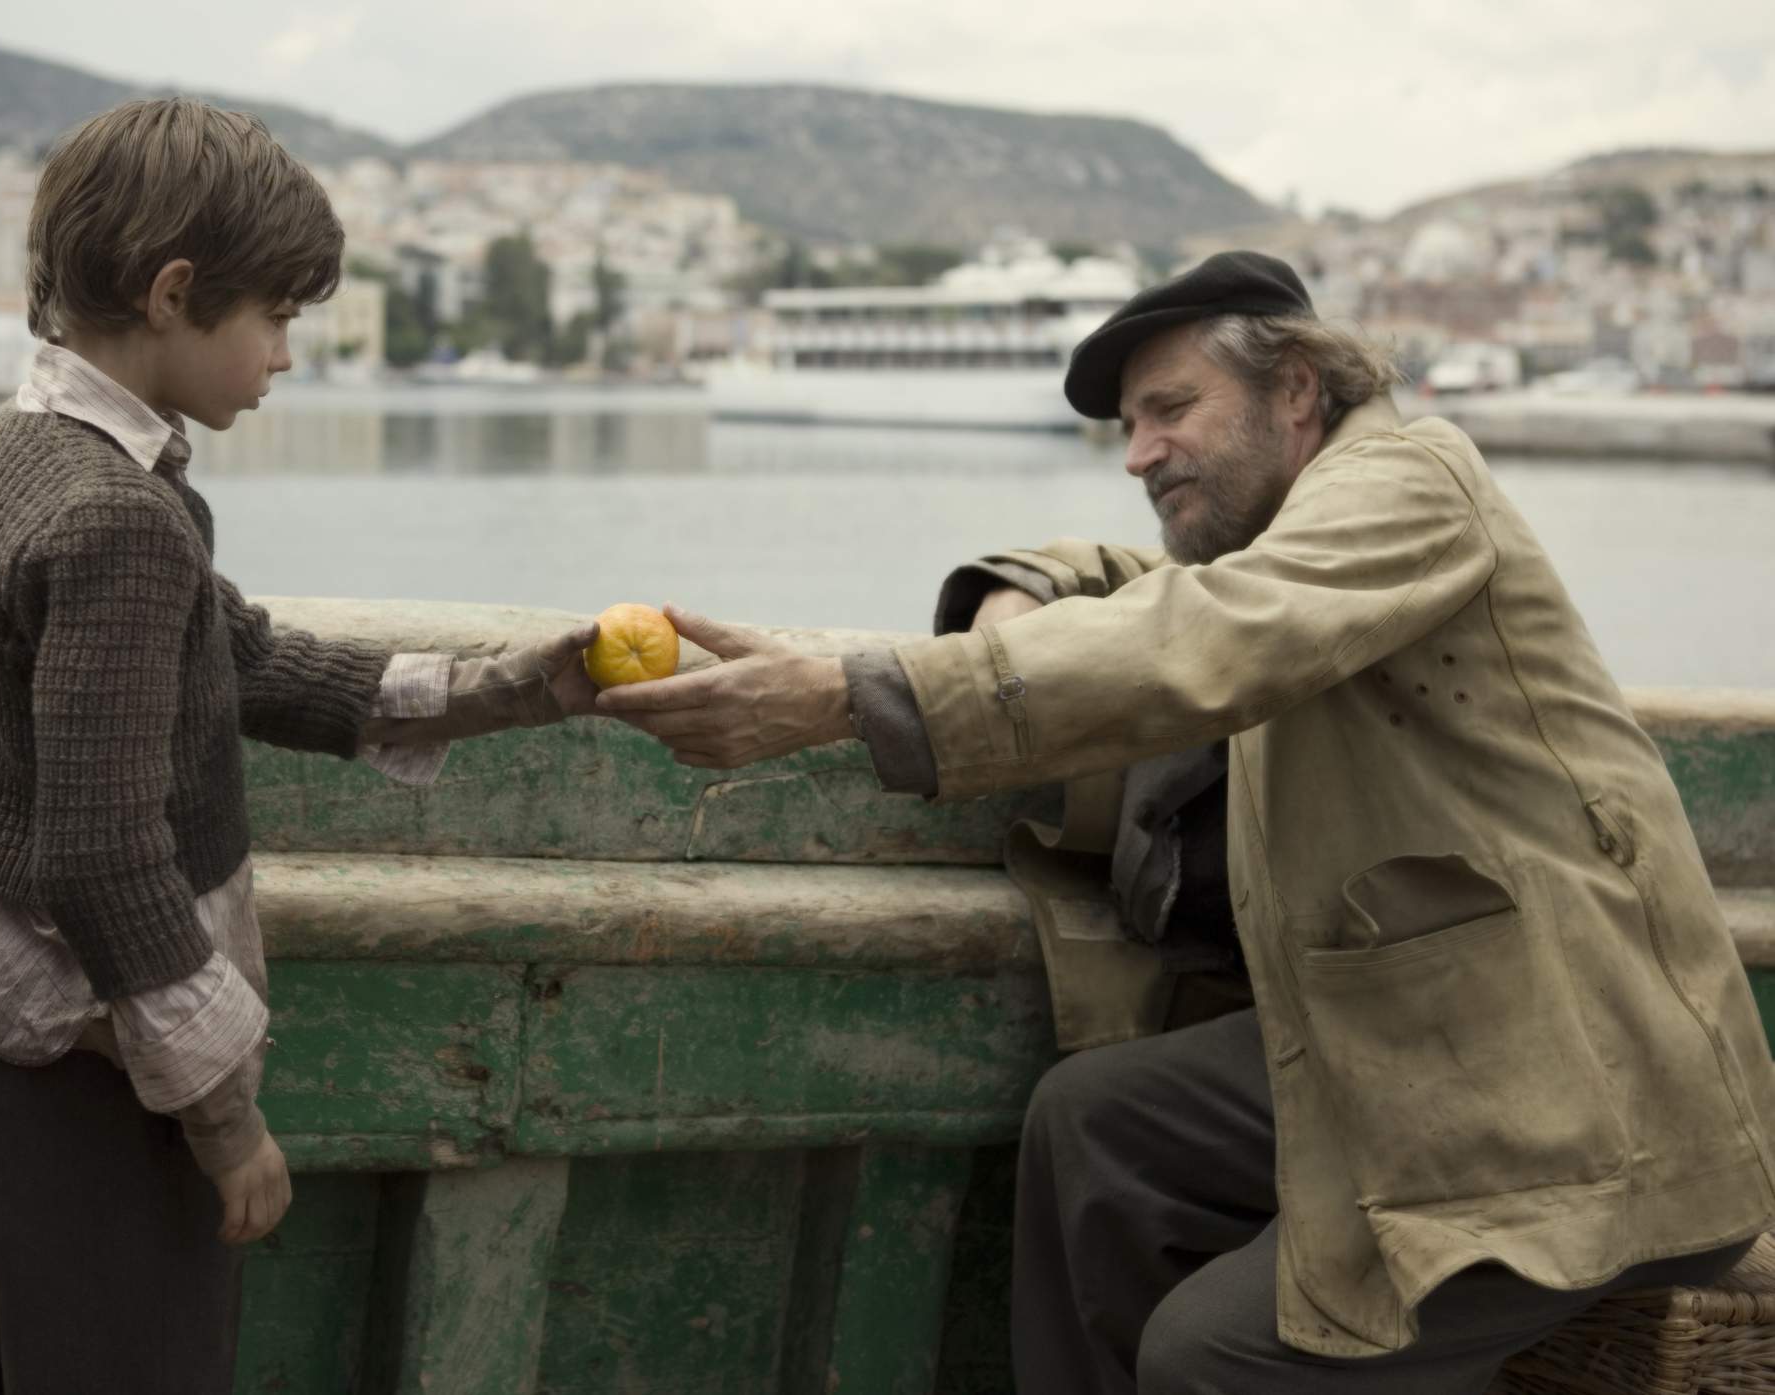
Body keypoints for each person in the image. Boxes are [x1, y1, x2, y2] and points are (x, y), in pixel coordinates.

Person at [599, 250, 1775, 1392]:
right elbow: (1137, 584)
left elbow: (1209, 630)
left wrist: (851, 696)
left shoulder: (1412, 480)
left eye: (1168, 409)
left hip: (1593, 1114)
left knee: (1211, 1356)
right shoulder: (1290, 524)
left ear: (1297, 389)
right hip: (1433, 1051)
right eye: (1124, 429)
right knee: (1095, 1123)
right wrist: (1025, 582)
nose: (1138, 453)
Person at [0, 98, 597, 1395]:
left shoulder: (24, 451)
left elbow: (243, 659)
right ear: (173, 294)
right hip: (107, 1056)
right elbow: (102, 855)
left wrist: (508, 689)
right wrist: (224, 1120)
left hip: (3, 1017)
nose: (284, 355)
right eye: (274, 317)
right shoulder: (118, 516)